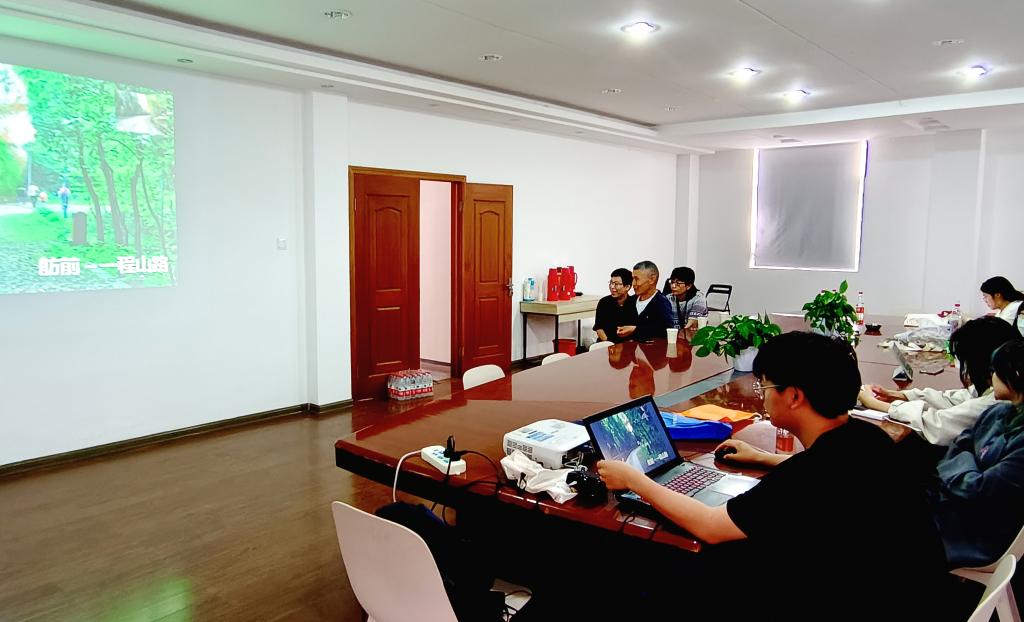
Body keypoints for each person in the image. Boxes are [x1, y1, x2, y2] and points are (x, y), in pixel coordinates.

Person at [597, 332, 948, 620]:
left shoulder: (807, 475)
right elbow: (832, 478)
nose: (762, 396)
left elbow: (710, 526)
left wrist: (634, 479)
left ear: (793, 396)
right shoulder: (866, 438)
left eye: (764, 387)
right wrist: (764, 458)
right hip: (908, 594)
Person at [930, 339, 1024, 568]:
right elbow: (960, 443)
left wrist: (965, 461)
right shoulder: (999, 412)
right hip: (955, 506)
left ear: (1015, 375)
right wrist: (970, 463)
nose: (991, 377)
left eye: (995, 371)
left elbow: (976, 488)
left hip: (976, 532)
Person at [858, 317, 1019, 447]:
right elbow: (956, 399)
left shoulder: (999, 402)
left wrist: (875, 404)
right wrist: (896, 395)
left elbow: (937, 424)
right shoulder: (1004, 387)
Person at [615, 260, 672, 342]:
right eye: (632, 279)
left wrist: (635, 329)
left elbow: (665, 331)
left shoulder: (662, 303)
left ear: (652, 279)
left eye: (636, 279)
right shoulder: (630, 301)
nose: (633, 284)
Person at [593, 268, 634, 343]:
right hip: (606, 344)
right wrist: (609, 344)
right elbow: (599, 328)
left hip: (627, 345)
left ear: (627, 287)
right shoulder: (604, 302)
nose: (612, 287)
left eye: (616, 284)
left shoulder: (634, 303)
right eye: (611, 283)